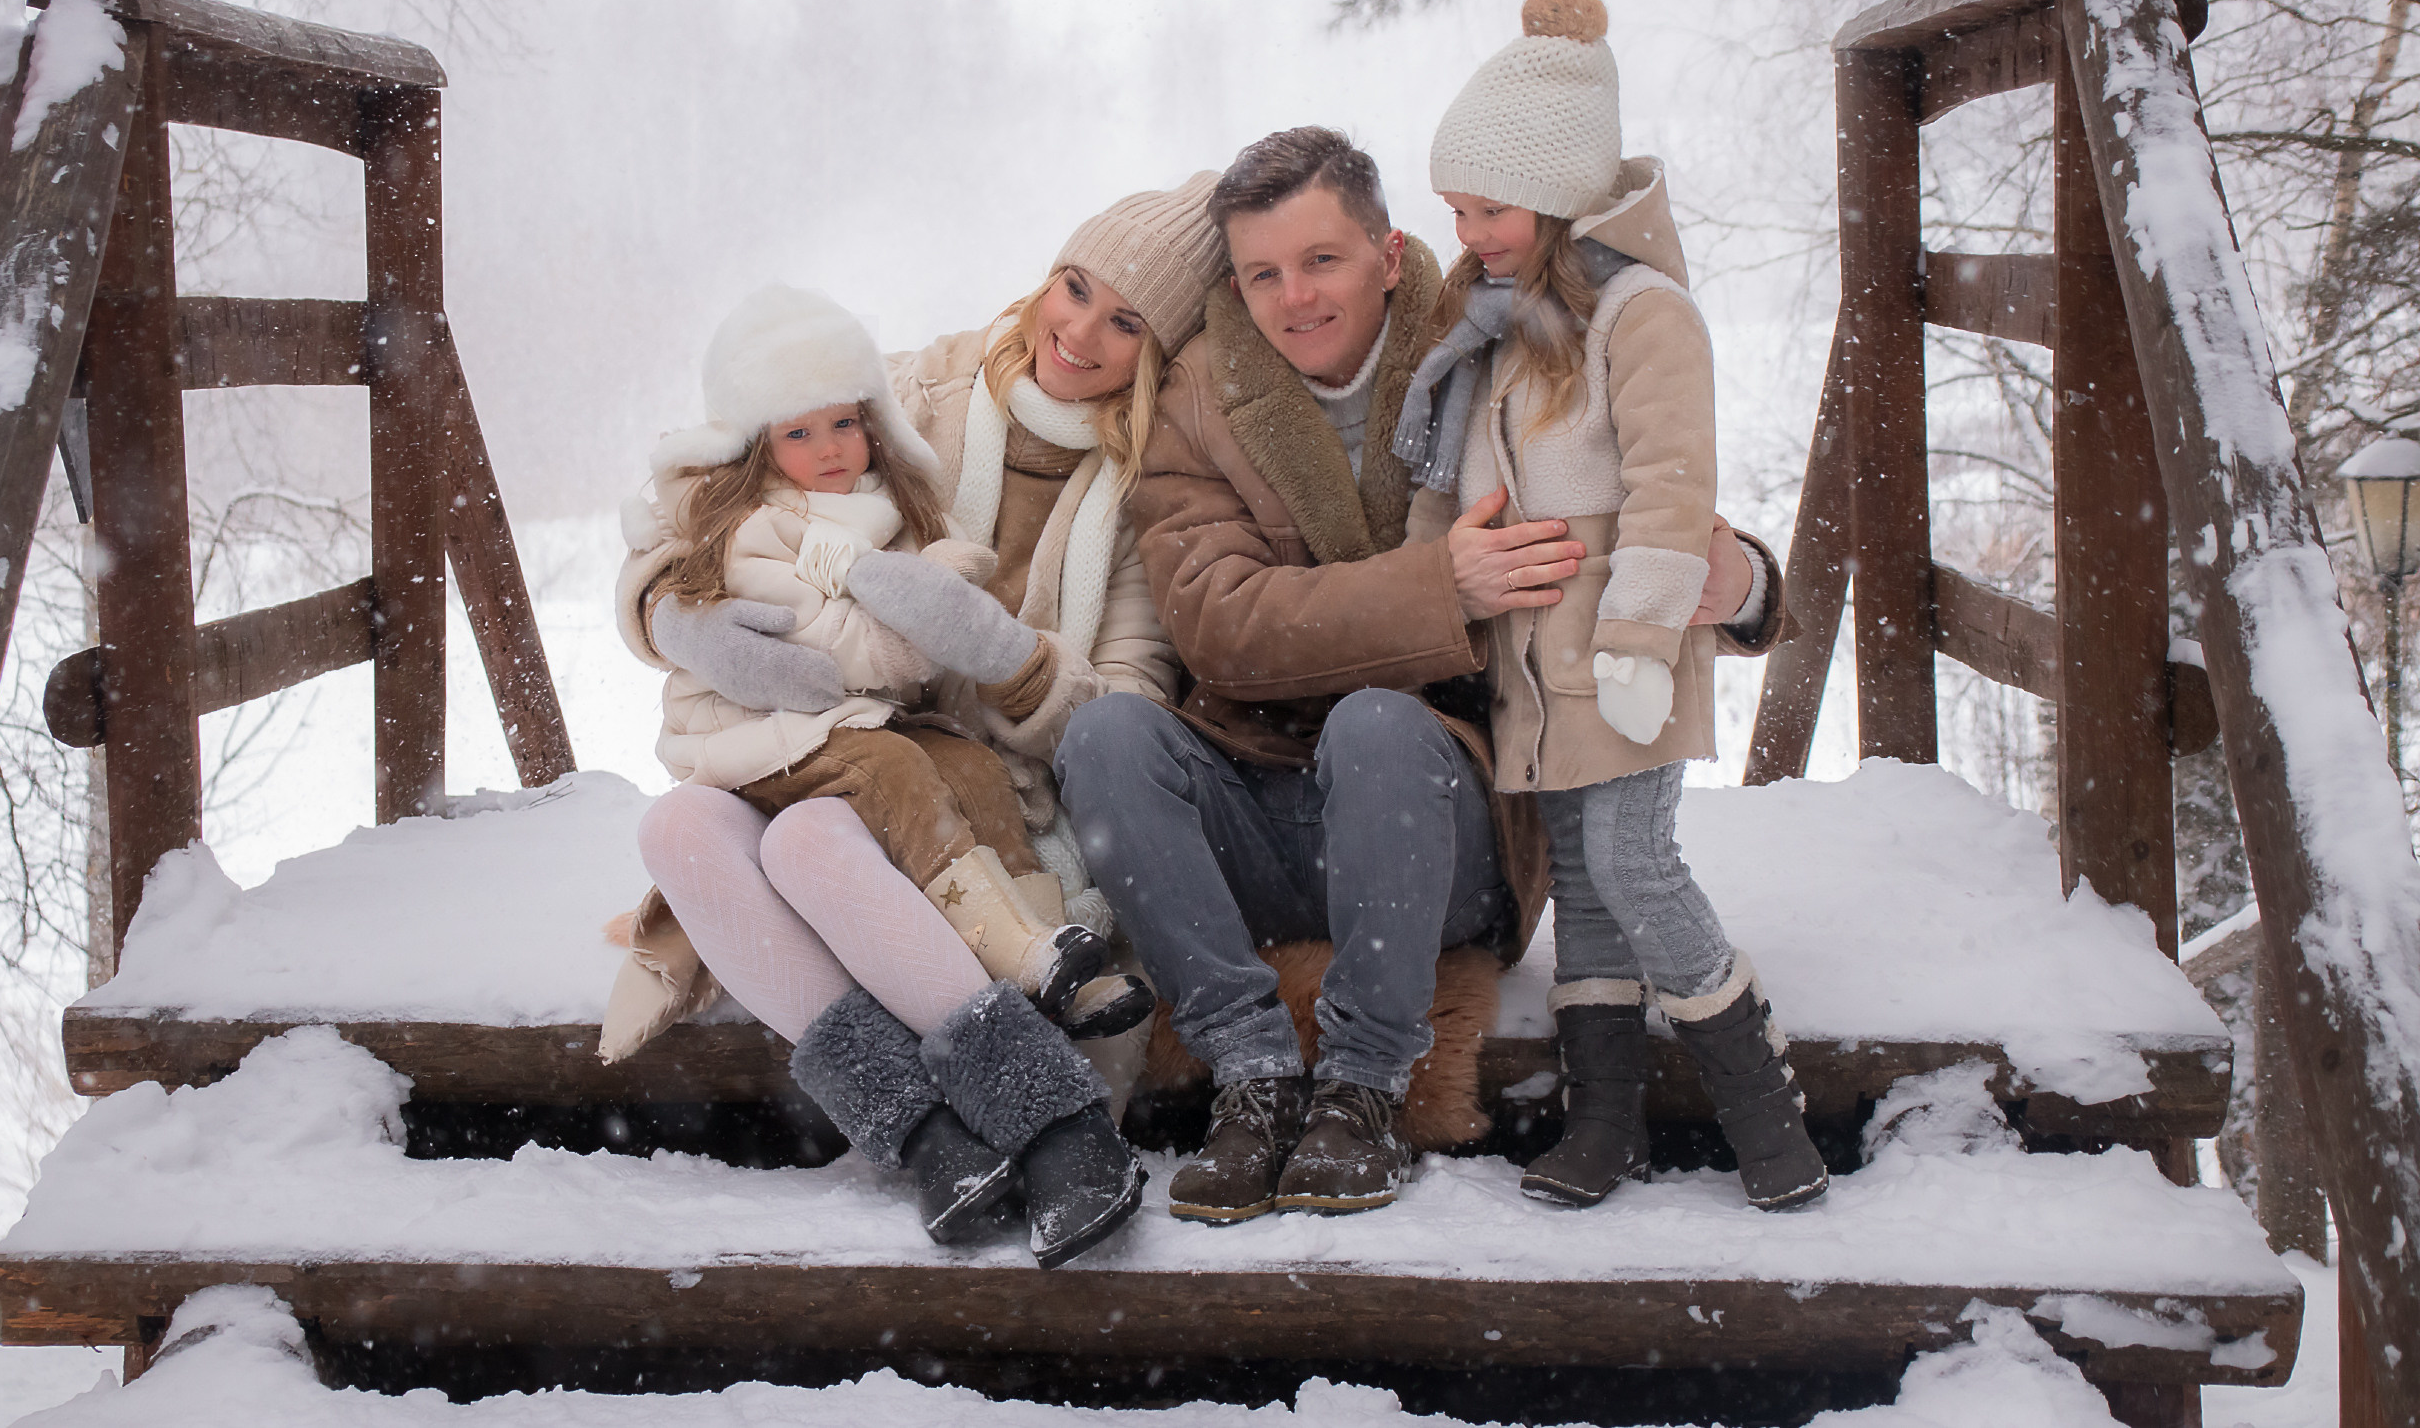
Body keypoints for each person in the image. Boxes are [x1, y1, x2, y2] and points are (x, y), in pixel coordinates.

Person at [1055, 127, 1785, 1225]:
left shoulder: (1496, 341)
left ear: (1389, 253)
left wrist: (1742, 586)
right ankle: (1250, 1072)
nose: (1295, 298)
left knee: (1379, 724)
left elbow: (1639, 476)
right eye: (1263, 273)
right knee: (1105, 738)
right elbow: (1219, 628)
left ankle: (1361, 1085)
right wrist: (1436, 588)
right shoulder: (1201, 396)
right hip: (1257, 809)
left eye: (1322, 261)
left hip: (1439, 825)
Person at [604, 179, 1226, 1267]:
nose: (1076, 331)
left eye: (1124, 320)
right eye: (1073, 289)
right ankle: (930, 1136)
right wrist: (672, 614)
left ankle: (1055, 1126)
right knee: (677, 831)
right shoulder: (908, 392)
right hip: (812, 743)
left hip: (967, 776)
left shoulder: (1146, 488)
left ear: (1158, 350)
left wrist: (1014, 661)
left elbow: (1124, 707)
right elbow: (705, 492)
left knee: (806, 842)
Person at [1400, 0, 1826, 1212]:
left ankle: (1761, 1101)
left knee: (1635, 864)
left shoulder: (1641, 316)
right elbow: (1457, 495)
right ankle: (1605, 1125)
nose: (1467, 230)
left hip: (1619, 645)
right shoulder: (1494, 331)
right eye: (1456, 209)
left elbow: (1671, 487)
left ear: (1551, 194)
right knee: (1582, 885)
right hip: (1533, 663)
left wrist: (1640, 635)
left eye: (1484, 207)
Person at [620, 286, 1143, 1030]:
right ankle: (1010, 954)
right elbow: (808, 646)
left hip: (856, 719)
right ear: (753, 443)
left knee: (969, 767)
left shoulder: (886, 504)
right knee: (896, 773)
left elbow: (915, 607)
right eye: (798, 434)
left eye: (843, 423)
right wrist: (905, 636)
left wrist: (942, 609)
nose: (829, 448)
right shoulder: (753, 521)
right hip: (764, 733)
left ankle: (1051, 944)